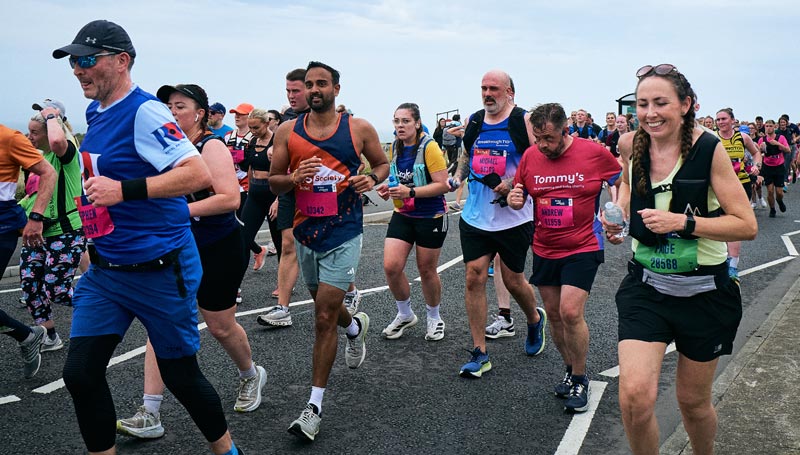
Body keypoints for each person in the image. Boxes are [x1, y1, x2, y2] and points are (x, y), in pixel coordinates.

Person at [52, 20, 241, 455]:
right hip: (107, 271)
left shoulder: (145, 110)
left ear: (121, 62)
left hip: (160, 270)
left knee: (181, 377)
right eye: (73, 63)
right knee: (80, 374)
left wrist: (123, 191)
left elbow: (197, 173)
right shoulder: (95, 112)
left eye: (86, 60)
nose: (78, 70)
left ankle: (228, 451)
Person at [603, 63, 757, 455]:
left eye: (660, 103)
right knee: (635, 399)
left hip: (705, 292)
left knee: (692, 402)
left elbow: (746, 224)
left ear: (685, 105)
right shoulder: (629, 144)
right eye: (642, 104)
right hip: (647, 288)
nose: (650, 112)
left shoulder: (709, 150)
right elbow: (626, 183)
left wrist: (683, 222)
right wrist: (617, 215)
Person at [115, 84, 266, 440]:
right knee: (159, 322)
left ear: (199, 113)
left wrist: (175, 211)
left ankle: (250, 374)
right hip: (175, 247)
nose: (171, 112)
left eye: (179, 106)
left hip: (219, 246)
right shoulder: (162, 149)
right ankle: (149, 411)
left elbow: (229, 199)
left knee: (220, 326)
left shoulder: (210, 145)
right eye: (166, 106)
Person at [269, 61, 389, 441]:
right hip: (306, 232)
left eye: (322, 83)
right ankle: (355, 327)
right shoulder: (288, 131)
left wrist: (371, 177)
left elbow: (382, 165)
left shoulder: (358, 128)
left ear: (337, 89)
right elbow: (274, 182)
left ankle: (313, 407)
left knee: (322, 316)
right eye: (309, 84)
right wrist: (292, 179)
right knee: (329, 309)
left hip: (345, 230)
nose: (314, 89)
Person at [509, 102, 621, 412]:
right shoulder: (532, 157)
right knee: (555, 314)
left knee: (571, 312)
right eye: (538, 138)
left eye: (549, 138)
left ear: (566, 131)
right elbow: (519, 192)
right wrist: (514, 197)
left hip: (583, 244)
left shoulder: (592, 153)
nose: (543, 145)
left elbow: (618, 179)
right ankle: (571, 369)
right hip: (545, 247)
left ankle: (581, 378)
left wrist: (616, 208)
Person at [451, 69, 545, 378]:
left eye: (493, 88)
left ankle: (533, 318)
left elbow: (538, 161)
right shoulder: (476, 120)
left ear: (509, 92)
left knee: (514, 279)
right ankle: (480, 352)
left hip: (514, 216)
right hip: (476, 215)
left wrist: (512, 183)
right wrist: (456, 179)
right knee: (473, 276)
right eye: (483, 88)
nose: (487, 93)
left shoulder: (523, 120)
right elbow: (467, 153)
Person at [376, 103, 449, 341]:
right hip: (404, 214)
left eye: (405, 121)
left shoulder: (430, 147)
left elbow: (443, 185)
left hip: (431, 215)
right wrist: (389, 188)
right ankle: (405, 314)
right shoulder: (396, 147)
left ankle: (434, 317)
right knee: (391, 266)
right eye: (396, 121)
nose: (400, 126)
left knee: (426, 270)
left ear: (417, 123)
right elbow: (399, 177)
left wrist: (411, 192)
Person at [21, 100, 86, 352]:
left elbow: (59, 142)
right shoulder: (39, 160)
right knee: (30, 285)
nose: (30, 137)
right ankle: (49, 336)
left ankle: (105, 305)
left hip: (65, 232)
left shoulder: (66, 152)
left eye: (34, 133)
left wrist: (50, 116)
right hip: (38, 233)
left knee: (57, 290)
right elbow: (33, 195)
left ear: (51, 130)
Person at [0, 123, 56, 378]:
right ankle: (26, 335)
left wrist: (36, 216)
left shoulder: (9, 138)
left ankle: (28, 335)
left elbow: (48, 172)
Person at [714, 108, 762, 281]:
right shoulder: (712, 138)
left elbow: (756, 152)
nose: (720, 122)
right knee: (717, 223)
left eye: (724, 119)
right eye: (718, 119)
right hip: (717, 186)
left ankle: (732, 267)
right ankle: (718, 261)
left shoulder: (742, 138)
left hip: (740, 184)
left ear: (732, 120)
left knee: (733, 223)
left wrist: (757, 166)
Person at [239, 108, 280, 271]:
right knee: (243, 237)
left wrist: (278, 200)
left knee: (279, 242)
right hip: (255, 194)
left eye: (256, 128)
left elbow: (284, 171)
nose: (252, 131)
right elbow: (250, 169)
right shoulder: (252, 142)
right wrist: (249, 189)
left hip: (273, 194)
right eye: (250, 128)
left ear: (267, 123)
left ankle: (283, 285)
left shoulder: (276, 142)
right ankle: (236, 285)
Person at [758, 119, 790, 217]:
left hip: (779, 166)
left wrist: (778, 144)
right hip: (767, 167)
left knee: (779, 192)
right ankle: (772, 209)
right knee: (770, 191)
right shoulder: (762, 140)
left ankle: (779, 201)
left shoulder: (780, 137)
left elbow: (788, 150)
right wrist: (761, 149)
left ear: (774, 127)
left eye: (770, 126)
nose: (768, 128)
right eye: (766, 126)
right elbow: (759, 153)